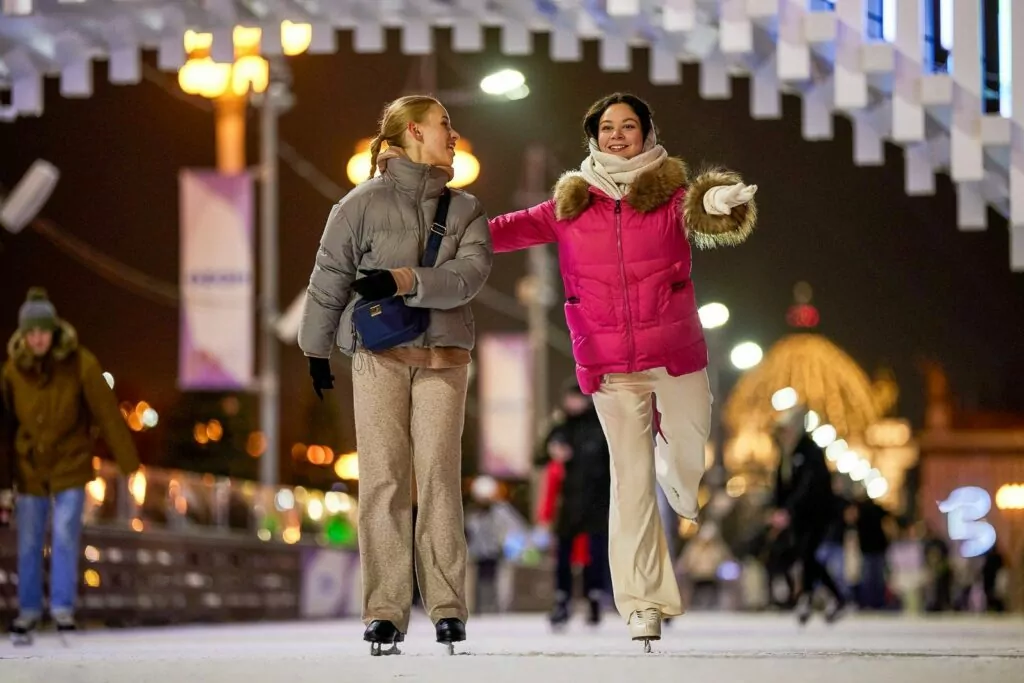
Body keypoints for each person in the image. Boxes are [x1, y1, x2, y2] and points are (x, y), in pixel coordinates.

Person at [489, 92, 757, 648]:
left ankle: (679, 476)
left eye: (628, 126)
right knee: (628, 482)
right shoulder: (569, 206)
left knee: (686, 449)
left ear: (647, 132)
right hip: (609, 364)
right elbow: (500, 231)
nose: (617, 135)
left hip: (674, 353)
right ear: (593, 136)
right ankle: (641, 603)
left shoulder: (672, 195)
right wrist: (445, 224)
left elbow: (706, 207)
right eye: (607, 127)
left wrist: (725, 200)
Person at [297, 95, 493, 655]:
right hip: (378, 357)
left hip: (444, 360)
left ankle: (448, 608)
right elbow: (329, 276)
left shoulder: (466, 210)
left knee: (437, 478)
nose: (453, 134)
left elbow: (470, 275)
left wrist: (403, 279)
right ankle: (384, 611)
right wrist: (316, 350)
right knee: (382, 479)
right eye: (444, 125)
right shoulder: (357, 205)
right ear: (414, 131)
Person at [0, 288, 139, 643]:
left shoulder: (80, 362)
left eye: (42, 332)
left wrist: (128, 462)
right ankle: (28, 611)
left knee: (64, 534)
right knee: (29, 539)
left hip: (72, 464)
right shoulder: (13, 372)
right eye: (30, 333)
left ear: (54, 330)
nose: (37, 339)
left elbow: (106, 412)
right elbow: (4, 427)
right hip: (29, 467)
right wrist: (4, 482)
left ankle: (62, 610)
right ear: (23, 334)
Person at [537, 380, 611, 630]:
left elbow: (610, 464)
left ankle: (594, 599)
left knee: (595, 555)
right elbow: (538, 456)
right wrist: (551, 449)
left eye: (577, 398)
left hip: (596, 503)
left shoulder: (600, 426)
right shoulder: (560, 426)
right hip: (567, 504)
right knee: (563, 557)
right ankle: (562, 601)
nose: (572, 404)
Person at [771, 406, 848, 624]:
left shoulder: (810, 452)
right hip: (798, 517)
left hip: (817, 515)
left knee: (807, 555)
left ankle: (812, 598)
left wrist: (789, 509)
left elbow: (809, 486)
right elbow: (780, 485)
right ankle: (820, 598)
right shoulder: (787, 455)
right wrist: (778, 509)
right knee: (805, 557)